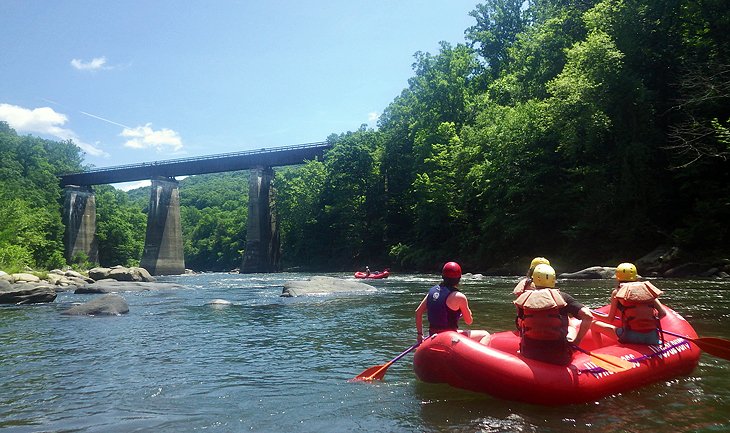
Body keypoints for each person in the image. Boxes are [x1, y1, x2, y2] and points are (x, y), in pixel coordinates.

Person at [513, 264, 593, 365]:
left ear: (534, 280)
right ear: (553, 279)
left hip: (529, 353)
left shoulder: (524, 299)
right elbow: (588, 316)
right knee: (572, 327)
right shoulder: (563, 297)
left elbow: (521, 326)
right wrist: (577, 341)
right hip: (558, 357)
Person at [415, 261, 490, 345]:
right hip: (449, 337)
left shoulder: (432, 292)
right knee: (485, 334)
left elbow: (418, 312)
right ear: (459, 279)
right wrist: (468, 313)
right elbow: (469, 321)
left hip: (433, 335)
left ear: (443, 276)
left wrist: (420, 334)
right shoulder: (459, 296)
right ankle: (477, 357)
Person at [592, 262, 667, 345]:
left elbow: (609, 319)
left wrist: (592, 313)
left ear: (617, 277)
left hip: (631, 337)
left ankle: (600, 351)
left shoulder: (617, 292)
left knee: (593, 325)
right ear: (635, 277)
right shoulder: (648, 291)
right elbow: (663, 313)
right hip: (652, 337)